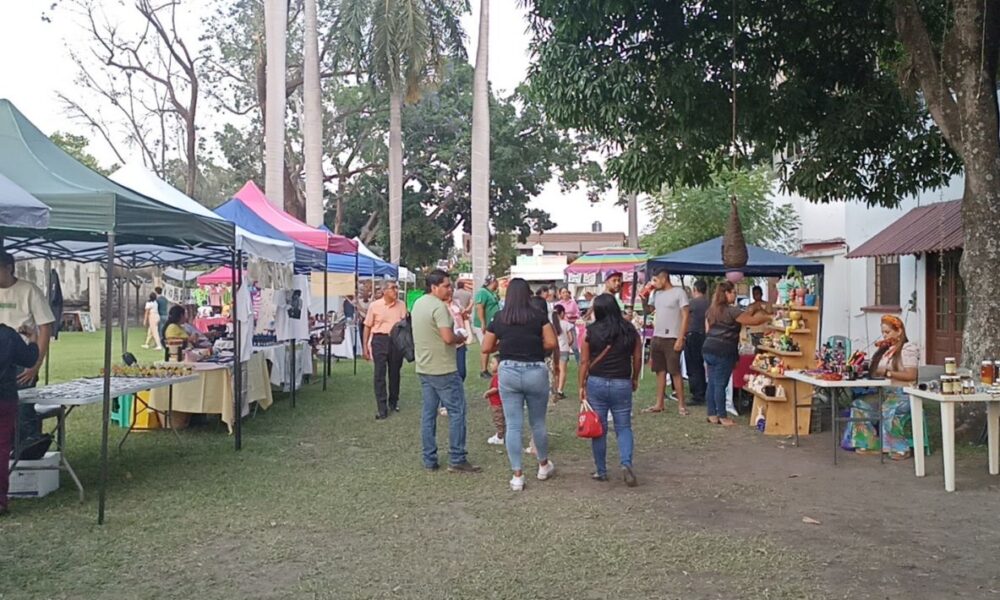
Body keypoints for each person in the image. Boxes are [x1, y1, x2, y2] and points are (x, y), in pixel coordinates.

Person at [481, 278, 557, 492]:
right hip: (535, 369)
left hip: (509, 372)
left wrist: (504, 343)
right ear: (527, 295)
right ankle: (543, 465)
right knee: (538, 423)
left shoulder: (500, 317)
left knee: (513, 425)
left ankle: (517, 475)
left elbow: (486, 347)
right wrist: (533, 344)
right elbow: (551, 343)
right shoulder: (538, 316)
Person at [412, 270, 480, 473]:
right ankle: (457, 457)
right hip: (443, 368)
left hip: (424, 367)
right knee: (457, 411)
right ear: (434, 287)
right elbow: (448, 338)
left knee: (428, 413)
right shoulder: (439, 308)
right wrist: (460, 337)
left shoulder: (418, 304)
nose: (450, 289)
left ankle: (429, 458)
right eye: (446, 286)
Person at [579, 293, 642, 486]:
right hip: (621, 381)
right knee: (623, 427)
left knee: (600, 429)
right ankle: (626, 463)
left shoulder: (591, 331)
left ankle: (601, 470)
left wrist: (582, 384)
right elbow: (638, 358)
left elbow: (584, 361)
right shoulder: (630, 330)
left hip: (597, 381)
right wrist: (633, 378)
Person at [842, 315, 919, 459]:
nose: (884, 335)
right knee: (859, 405)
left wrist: (888, 373)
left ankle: (900, 448)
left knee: (888, 408)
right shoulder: (885, 350)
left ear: (899, 331)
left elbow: (911, 375)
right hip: (884, 393)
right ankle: (868, 443)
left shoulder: (908, 348)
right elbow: (876, 371)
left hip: (903, 393)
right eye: (883, 332)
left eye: (887, 332)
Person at [0, 251, 55, 454]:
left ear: (8, 268)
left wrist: (35, 364)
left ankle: (27, 454)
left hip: (22, 357)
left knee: (23, 409)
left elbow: (45, 328)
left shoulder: (29, 290)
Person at [702, 282, 771, 425]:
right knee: (720, 384)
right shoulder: (731, 311)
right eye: (733, 292)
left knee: (712, 383)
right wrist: (769, 317)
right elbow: (752, 321)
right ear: (726, 293)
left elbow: (707, 330)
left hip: (709, 347)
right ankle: (722, 416)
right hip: (724, 350)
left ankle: (712, 414)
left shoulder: (711, 310)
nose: (735, 294)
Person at [0, 324, 40, 516]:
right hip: (4, 396)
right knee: (1, 448)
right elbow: (29, 358)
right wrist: (32, 338)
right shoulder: (7, 334)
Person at [642, 269, 690, 415]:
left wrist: (681, 337)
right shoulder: (656, 294)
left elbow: (686, 315)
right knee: (660, 370)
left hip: (672, 337)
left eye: (655, 280)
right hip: (658, 336)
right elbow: (649, 311)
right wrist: (644, 298)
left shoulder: (678, 292)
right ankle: (659, 403)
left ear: (664, 279)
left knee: (674, 371)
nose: (653, 283)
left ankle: (681, 405)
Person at [363, 282, 408, 420]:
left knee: (394, 372)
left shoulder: (401, 305)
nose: (395, 290)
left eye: (396, 288)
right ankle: (382, 408)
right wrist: (365, 346)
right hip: (379, 339)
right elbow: (367, 326)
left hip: (395, 340)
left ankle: (393, 402)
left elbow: (405, 325)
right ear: (384, 291)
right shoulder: (374, 306)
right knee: (379, 374)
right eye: (392, 288)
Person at [684, 279, 709, 406]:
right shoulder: (709, 303)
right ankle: (705, 390)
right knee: (704, 364)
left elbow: (684, 318)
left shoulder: (691, 304)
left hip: (692, 334)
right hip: (705, 335)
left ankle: (697, 394)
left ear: (695, 290)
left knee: (693, 366)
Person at [473, 275, 501, 378]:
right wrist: (482, 322)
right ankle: (483, 370)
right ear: (493, 282)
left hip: (493, 324)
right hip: (485, 324)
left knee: (494, 345)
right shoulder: (482, 292)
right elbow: (480, 307)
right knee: (486, 346)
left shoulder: (492, 293)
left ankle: (496, 365)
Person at [551, 304, 575, 400]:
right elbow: (571, 339)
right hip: (564, 350)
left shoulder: (551, 325)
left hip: (554, 350)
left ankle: (555, 389)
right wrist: (567, 344)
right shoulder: (566, 324)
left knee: (555, 371)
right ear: (562, 313)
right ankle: (560, 390)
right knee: (562, 371)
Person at [482, 357, 506, 446]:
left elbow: (496, 388)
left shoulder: (498, 377)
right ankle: (503, 434)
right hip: (498, 403)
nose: (490, 365)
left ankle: (500, 437)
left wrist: (487, 393)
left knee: (498, 420)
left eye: (492, 363)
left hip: (497, 404)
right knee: (502, 420)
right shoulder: (499, 376)